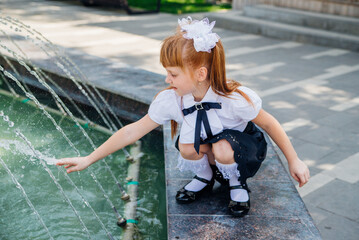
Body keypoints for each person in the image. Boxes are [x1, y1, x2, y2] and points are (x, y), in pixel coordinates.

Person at [56, 16, 310, 217]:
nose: (167, 80)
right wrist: (89, 158)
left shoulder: (234, 98)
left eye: (173, 74)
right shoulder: (172, 99)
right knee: (186, 145)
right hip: (208, 148)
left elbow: (269, 123)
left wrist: (294, 160)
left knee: (222, 146)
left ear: (200, 74)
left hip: (241, 151)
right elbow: (133, 130)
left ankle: (236, 184)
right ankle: (205, 177)